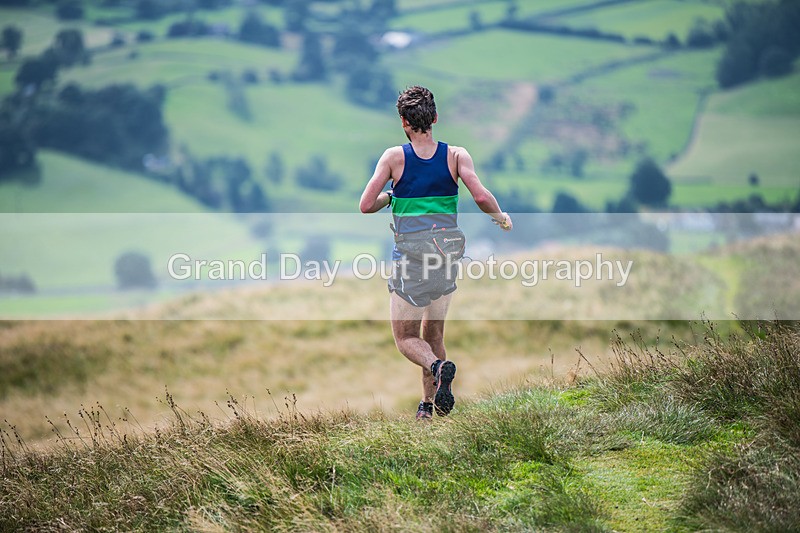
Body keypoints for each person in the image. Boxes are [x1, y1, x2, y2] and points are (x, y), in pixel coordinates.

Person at [359, 85, 512, 420]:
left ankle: (437, 367)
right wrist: (500, 217)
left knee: (405, 338)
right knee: (434, 332)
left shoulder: (394, 158)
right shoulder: (456, 156)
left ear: (403, 122)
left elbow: (366, 205)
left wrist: (391, 196)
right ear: (435, 118)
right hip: (446, 256)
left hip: (412, 261)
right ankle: (428, 408)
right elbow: (482, 197)